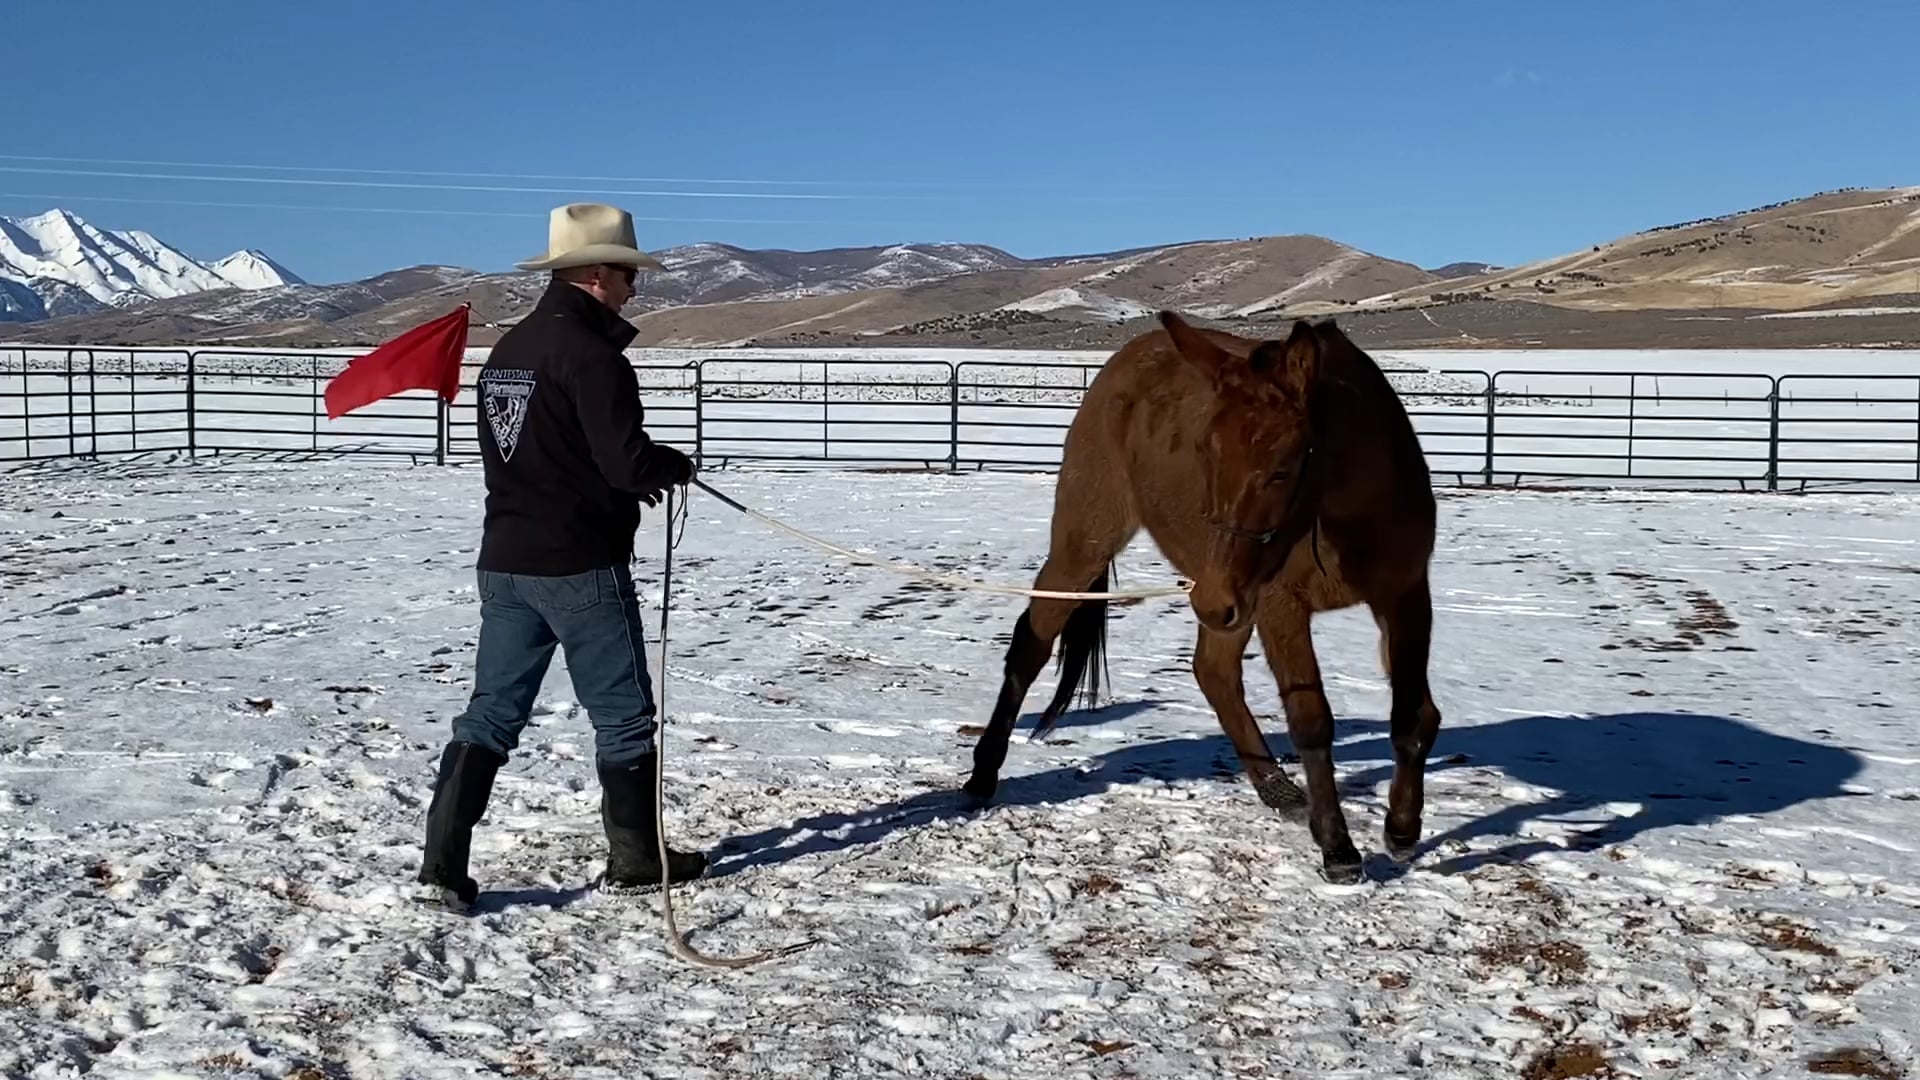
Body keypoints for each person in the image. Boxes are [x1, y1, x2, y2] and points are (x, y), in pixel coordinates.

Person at [417, 202, 707, 908]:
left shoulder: (510, 351)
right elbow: (622, 461)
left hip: (506, 559)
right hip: (579, 564)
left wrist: (615, 481)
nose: (635, 289)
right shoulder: (592, 357)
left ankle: (442, 868)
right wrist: (664, 466)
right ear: (600, 273)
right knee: (623, 715)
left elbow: (540, 454)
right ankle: (636, 859)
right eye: (630, 276)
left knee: (489, 715)